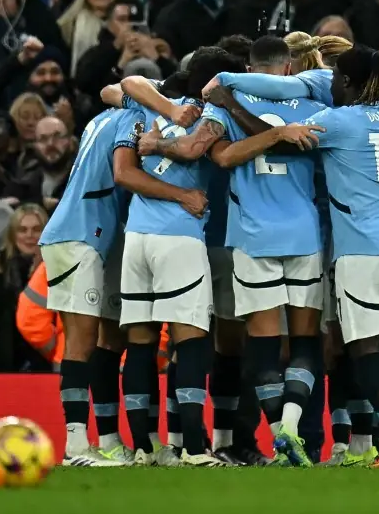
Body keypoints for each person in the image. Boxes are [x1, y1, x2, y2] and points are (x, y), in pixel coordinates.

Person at [214, 46, 379, 467]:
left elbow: (277, 141)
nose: (330, 85)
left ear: (347, 83)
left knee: (363, 348)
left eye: (335, 79)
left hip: (363, 250)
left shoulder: (337, 120)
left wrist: (228, 102)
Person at [136, 38, 325, 467]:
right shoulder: (315, 101)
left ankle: (261, 436)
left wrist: (157, 143)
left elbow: (209, 154)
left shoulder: (223, 105)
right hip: (304, 236)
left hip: (244, 237)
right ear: (289, 65)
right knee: (304, 342)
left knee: (238, 346)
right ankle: (284, 434)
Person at [37, 81, 205, 467]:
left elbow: (111, 90)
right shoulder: (133, 120)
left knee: (110, 340)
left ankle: (111, 440)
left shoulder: (104, 117)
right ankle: (76, 444)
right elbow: (125, 174)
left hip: (101, 238)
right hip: (78, 234)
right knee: (81, 340)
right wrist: (183, 195)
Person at [116, 59, 222, 468]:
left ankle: (143, 447)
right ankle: (194, 448)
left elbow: (123, 84)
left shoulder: (149, 107)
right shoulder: (213, 114)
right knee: (192, 342)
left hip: (138, 237)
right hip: (180, 236)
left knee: (140, 343)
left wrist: (165, 109)